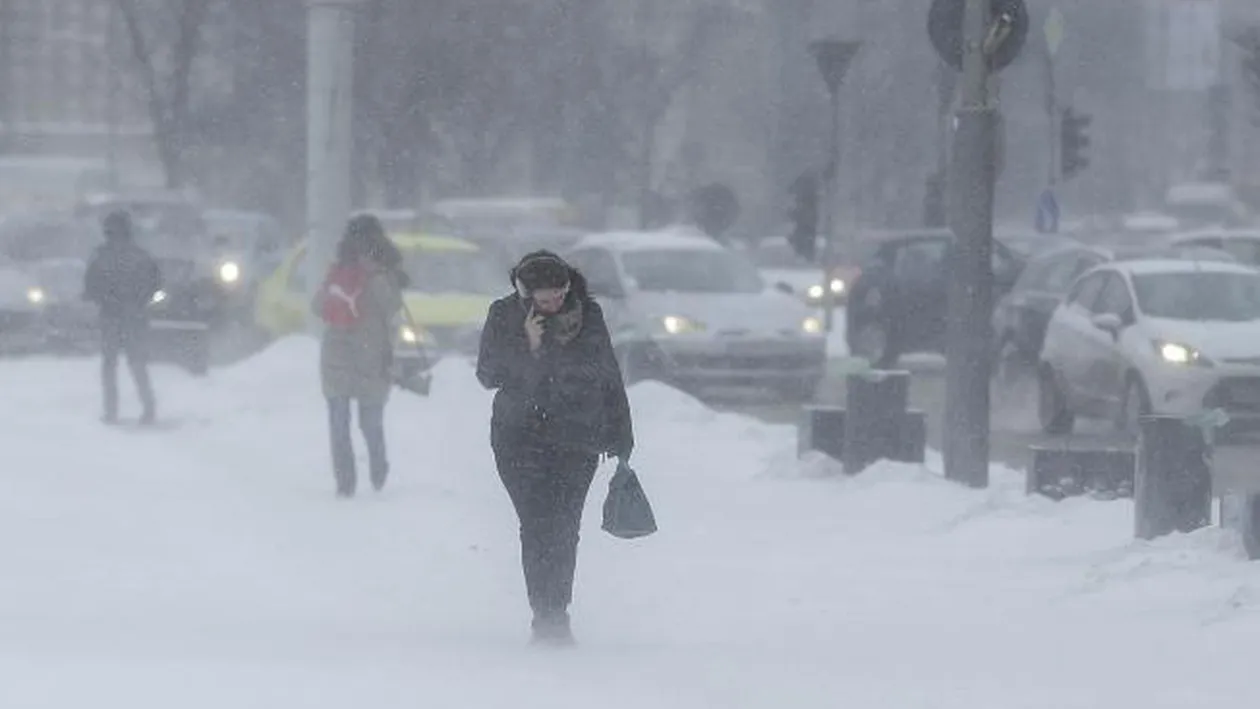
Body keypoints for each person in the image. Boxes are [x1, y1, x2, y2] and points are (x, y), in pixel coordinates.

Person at [476, 250, 634, 645]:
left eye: (558, 296)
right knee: (535, 524)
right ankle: (541, 612)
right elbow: (488, 374)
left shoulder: (588, 316)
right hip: (518, 437)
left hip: (576, 436)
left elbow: (608, 373)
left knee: (565, 526)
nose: (552, 305)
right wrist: (527, 345)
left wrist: (622, 434)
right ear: (524, 293)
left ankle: (557, 611)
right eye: (543, 299)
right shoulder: (503, 315)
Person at [311, 215, 404, 497]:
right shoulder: (378, 277)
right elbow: (393, 313)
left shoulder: (342, 272)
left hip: (340, 357)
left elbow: (317, 306)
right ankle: (373, 470)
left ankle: (348, 481)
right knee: (369, 422)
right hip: (369, 358)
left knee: (342, 423)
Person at [82, 210, 162, 425]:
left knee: (110, 366)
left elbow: (90, 286)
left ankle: (111, 411)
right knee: (137, 364)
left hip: (110, 317)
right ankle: (148, 408)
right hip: (134, 316)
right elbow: (155, 284)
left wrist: (104, 300)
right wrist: (139, 302)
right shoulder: (141, 255)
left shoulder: (100, 256)